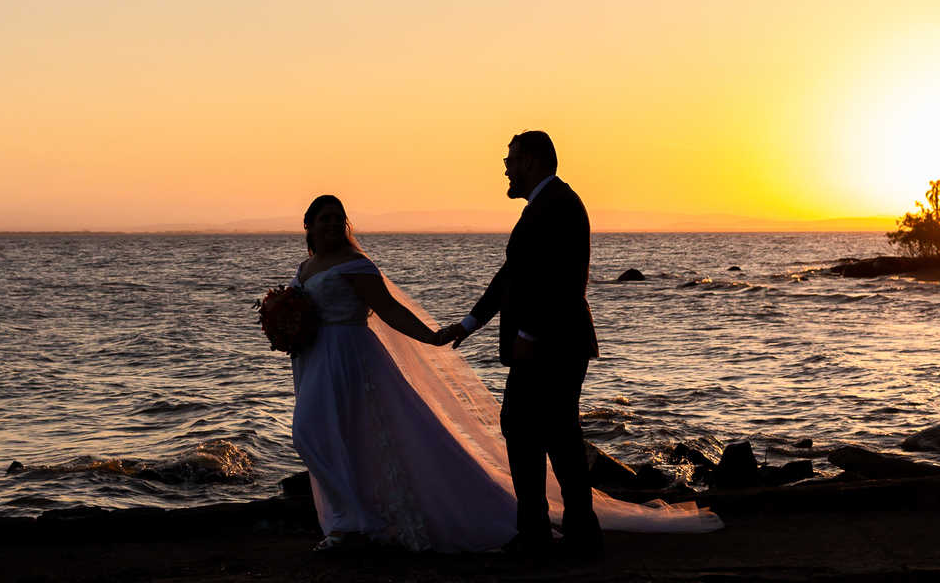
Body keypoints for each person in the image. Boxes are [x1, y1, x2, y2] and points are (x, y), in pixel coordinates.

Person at [288, 190, 722, 554]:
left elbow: (390, 310)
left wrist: (435, 336)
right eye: (324, 218)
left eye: (338, 217)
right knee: (326, 435)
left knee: (553, 433)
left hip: (356, 357)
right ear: (308, 224)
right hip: (315, 360)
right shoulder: (306, 267)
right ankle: (353, 519)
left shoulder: (356, 263)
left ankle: (560, 529)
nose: (333, 223)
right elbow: (510, 275)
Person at [440, 130, 601, 557]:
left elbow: (557, 276)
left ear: (529, 161)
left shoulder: (556, 205)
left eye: (510, 161)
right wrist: (469, 324)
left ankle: (548, 535)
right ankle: (562, 532)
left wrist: (528, 333)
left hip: (553, 343)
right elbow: (510, 275)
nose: (506, 169)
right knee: (540, 431)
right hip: (551, 341)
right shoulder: (542, 207)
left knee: (544, 431)